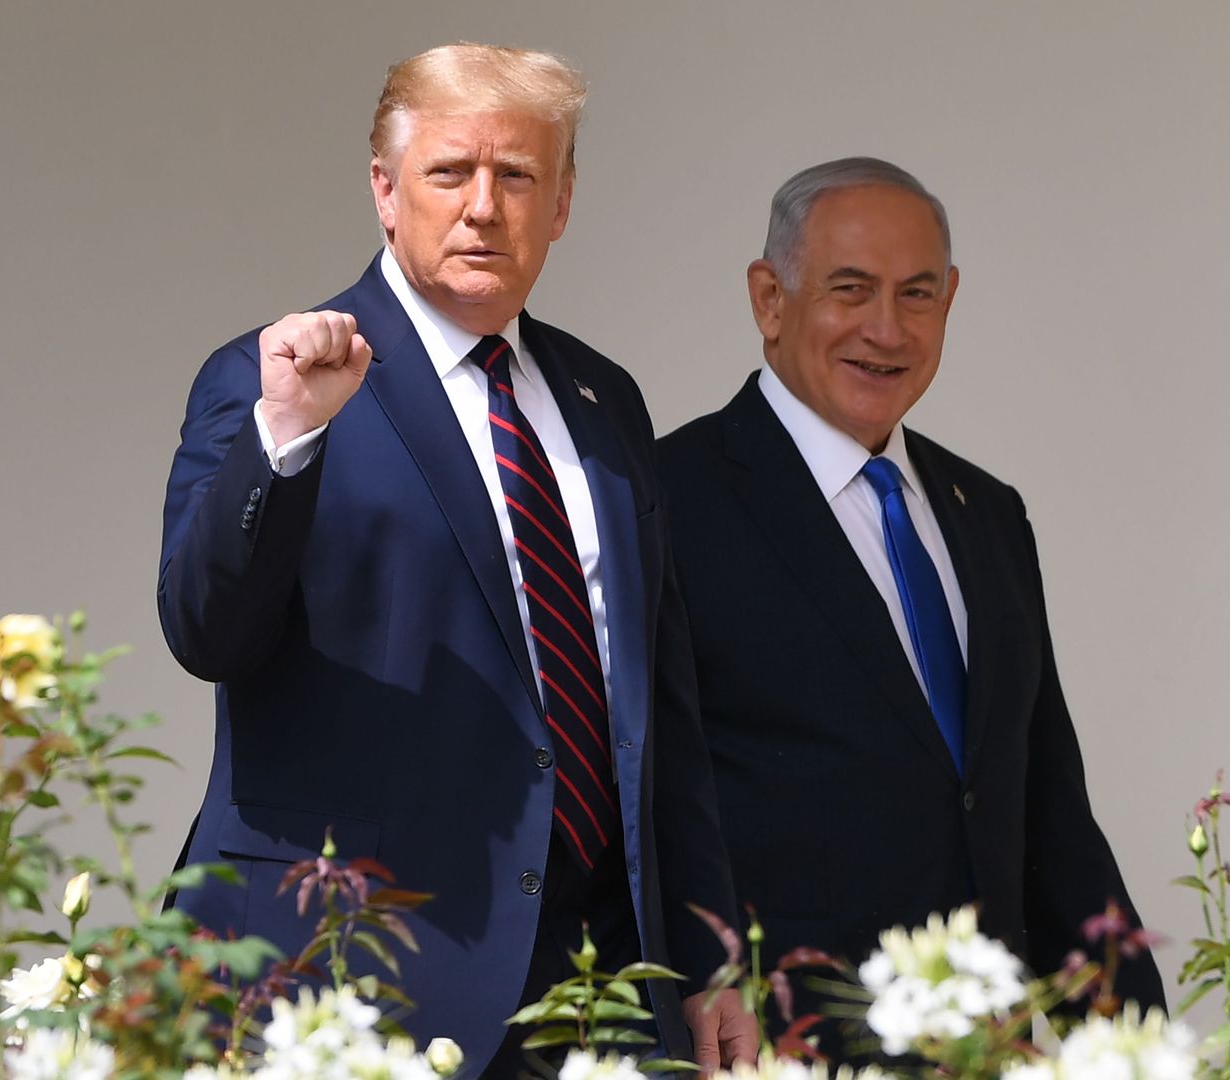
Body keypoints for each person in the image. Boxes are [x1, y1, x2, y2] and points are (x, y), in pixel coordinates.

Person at [157, 43, 754, 1078]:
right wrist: (287, 439)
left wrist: (706, 957)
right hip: (352, 976)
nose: (484, 207)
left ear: (561, 203)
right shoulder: (278, 377)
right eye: (451, 173)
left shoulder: (602, 402)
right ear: (386, 192)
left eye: (516, 175)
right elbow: (206, 630)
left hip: (594, 980)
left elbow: (662, 709)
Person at [655, 157, 1166, 1051]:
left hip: (985, 1052)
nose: (886, 330)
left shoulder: (990, 513)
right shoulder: (666, 502)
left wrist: (1137, 1051)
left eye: (917, 295)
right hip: (783, 1050)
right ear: (770, 299)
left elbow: (1046, 815)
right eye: (850, 291)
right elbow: (649, 809)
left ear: (951, 301)